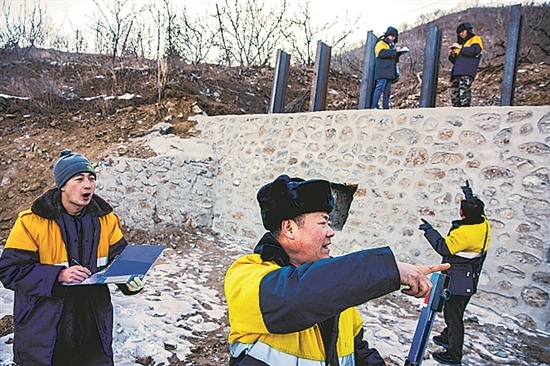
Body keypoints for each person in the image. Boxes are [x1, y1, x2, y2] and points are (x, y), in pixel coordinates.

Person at [224, 174, 450, 365]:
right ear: (290, 228)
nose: (331, 232)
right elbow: (294, 298)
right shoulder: (245, 274)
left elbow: (357, 348)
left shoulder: (332, 285)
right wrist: (390, 270)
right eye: (323, 223)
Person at [0, 149, 145, 366]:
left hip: (93, 329)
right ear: (63, 186)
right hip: (45, 331)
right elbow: (10, 271)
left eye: (91, 178)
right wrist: (58, 275)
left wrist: (130, 281)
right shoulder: (31, 222)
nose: (88, 185)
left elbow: (120, 261)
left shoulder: (106, 220)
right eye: (79, 179)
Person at [418, 181, 491, 365]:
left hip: (458, 279)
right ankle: (446, 337)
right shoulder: (483, 223)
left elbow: (444, 248)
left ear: (463, 214)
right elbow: (477, 209)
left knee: (453, 317)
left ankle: (453, 353)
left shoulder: (464, 233)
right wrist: (469, 194)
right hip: (470, 276)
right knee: (455, 312)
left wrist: (429, 230)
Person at [448, 22, 483, 107]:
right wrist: (452, 54)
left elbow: (474, 51)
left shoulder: (475, 39)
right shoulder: (461, 44)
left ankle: (465, 109)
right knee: (455, 93)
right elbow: (455, 61)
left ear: (467, 30)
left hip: (467, 70)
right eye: (459, 33)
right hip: (457, 72)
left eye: (463, 31)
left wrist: (460, 48)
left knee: (464, 90)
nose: (461, 34)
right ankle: (456, 109)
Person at [371, 26, 406, 109]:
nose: (393, 38)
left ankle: (386, 108)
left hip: (389, 72)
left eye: (394, 36)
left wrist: (398, 54)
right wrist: (394, 51)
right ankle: (374, 106)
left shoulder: (391, 46)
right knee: (379, 88)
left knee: (387, 92)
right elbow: (382, 54)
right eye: (391, 36)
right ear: (387, 35)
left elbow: (392, 58)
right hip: (382, 70)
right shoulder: (381, 43)